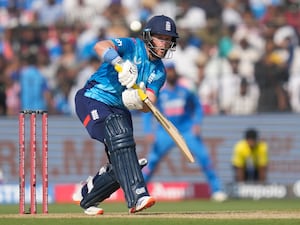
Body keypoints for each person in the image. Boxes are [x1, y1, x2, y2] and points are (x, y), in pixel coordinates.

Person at [72, 15, 179, 215]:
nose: (164, 44)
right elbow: (100, 46)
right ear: (148, 36)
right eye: (160, 37)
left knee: (120, 158)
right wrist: (119, 63)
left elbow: (149, 103)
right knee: (119, 139)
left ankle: (89, 194)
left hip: (120, 109)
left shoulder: (159, 72)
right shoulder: (131, 46)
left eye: (168, 39)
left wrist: (139, 99)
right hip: (93, 99)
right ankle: (138, 197)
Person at [142, 62, 227, 202]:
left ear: (176, 72)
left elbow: (198, 107)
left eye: (172, 71)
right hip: (166, 131)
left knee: (204, 158)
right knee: (152, 161)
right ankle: (139, 192)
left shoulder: (185, 90)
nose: (171, 73)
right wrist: (148, 130)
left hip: (186, 130)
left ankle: (217, 190)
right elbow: (147, 111)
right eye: (168, 71)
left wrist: (197, 124)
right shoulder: (159, 92)